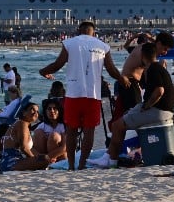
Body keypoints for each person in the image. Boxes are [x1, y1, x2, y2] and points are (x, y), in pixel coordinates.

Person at [39, 21, 126, 170]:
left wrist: (43, 71)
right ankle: (82, 164)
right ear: (94, 32)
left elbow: (57, 64)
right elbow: (111, 70)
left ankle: (71, 165)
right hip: (93, 95)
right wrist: (122, 79)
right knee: (89, 131)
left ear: (79, 31)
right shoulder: (102, 46)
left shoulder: (70, 43)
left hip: (73, 93)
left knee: (71, 131)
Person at [99, 43, 174, 166]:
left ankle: (111, 161)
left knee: (117, 126)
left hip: (157, 111)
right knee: (124, 117)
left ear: (143, 56)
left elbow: (159, 91)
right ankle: (108, 157)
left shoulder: (152, 69)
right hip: (164, 111)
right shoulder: (159, 68)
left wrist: (147, 106)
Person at [0, 100, 51, 172]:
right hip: (12, 162)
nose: (35, 113)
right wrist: (34, 159)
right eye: (32, 109)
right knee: (45, 159)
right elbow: (24, 148)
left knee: (43, 159)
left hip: (8, 161)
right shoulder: (22, 124)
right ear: (24, 112)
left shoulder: (21, 124)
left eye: (37, 112)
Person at [33, 99, 68, 163]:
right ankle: (42, 162)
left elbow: (65, 148)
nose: (52, 111)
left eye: (55, 108)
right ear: (45, 112)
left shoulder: (63, 126)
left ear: (59, 111)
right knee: (38, 133)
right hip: (44, 157)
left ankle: (48, 161)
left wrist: (48, 157)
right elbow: (31, 148)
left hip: (61, 156)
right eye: (49, 109)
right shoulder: (42, 126)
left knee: (54, 136)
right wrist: (40, 156)